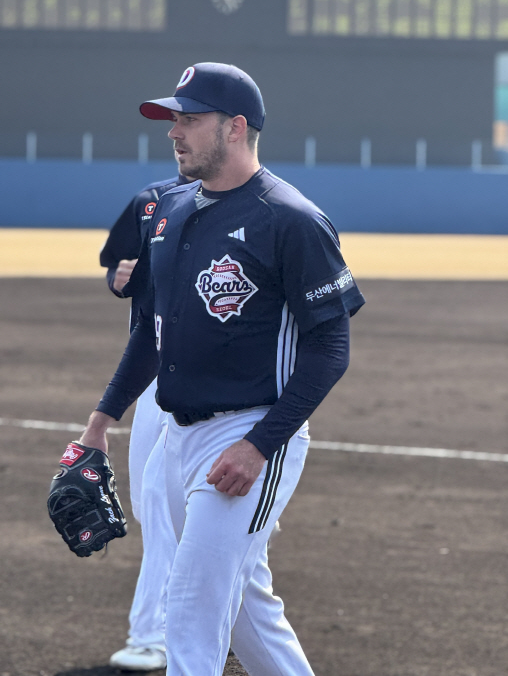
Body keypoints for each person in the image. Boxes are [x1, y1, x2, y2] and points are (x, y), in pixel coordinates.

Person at [78, 62, 365, 676]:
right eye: (172, 120)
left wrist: (259, 446)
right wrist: (100, 423)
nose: (174, 132)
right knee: (245, 609)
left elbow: (330, 353)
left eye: (189, 120)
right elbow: (151, 337)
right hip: (177, 439)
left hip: (252, 435)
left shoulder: (291, 220)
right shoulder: (172, 213)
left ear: (235, 128)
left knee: (191, 605)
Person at [100, 172, 190, 671]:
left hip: (217, 383)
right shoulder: (149, 202)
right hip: (153, 374)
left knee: (161, 504)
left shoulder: (254, 208)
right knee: (149, 503)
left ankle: (154, 633)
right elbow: (119, 266)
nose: (178, 133)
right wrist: (117, 279)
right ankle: (181, 624)